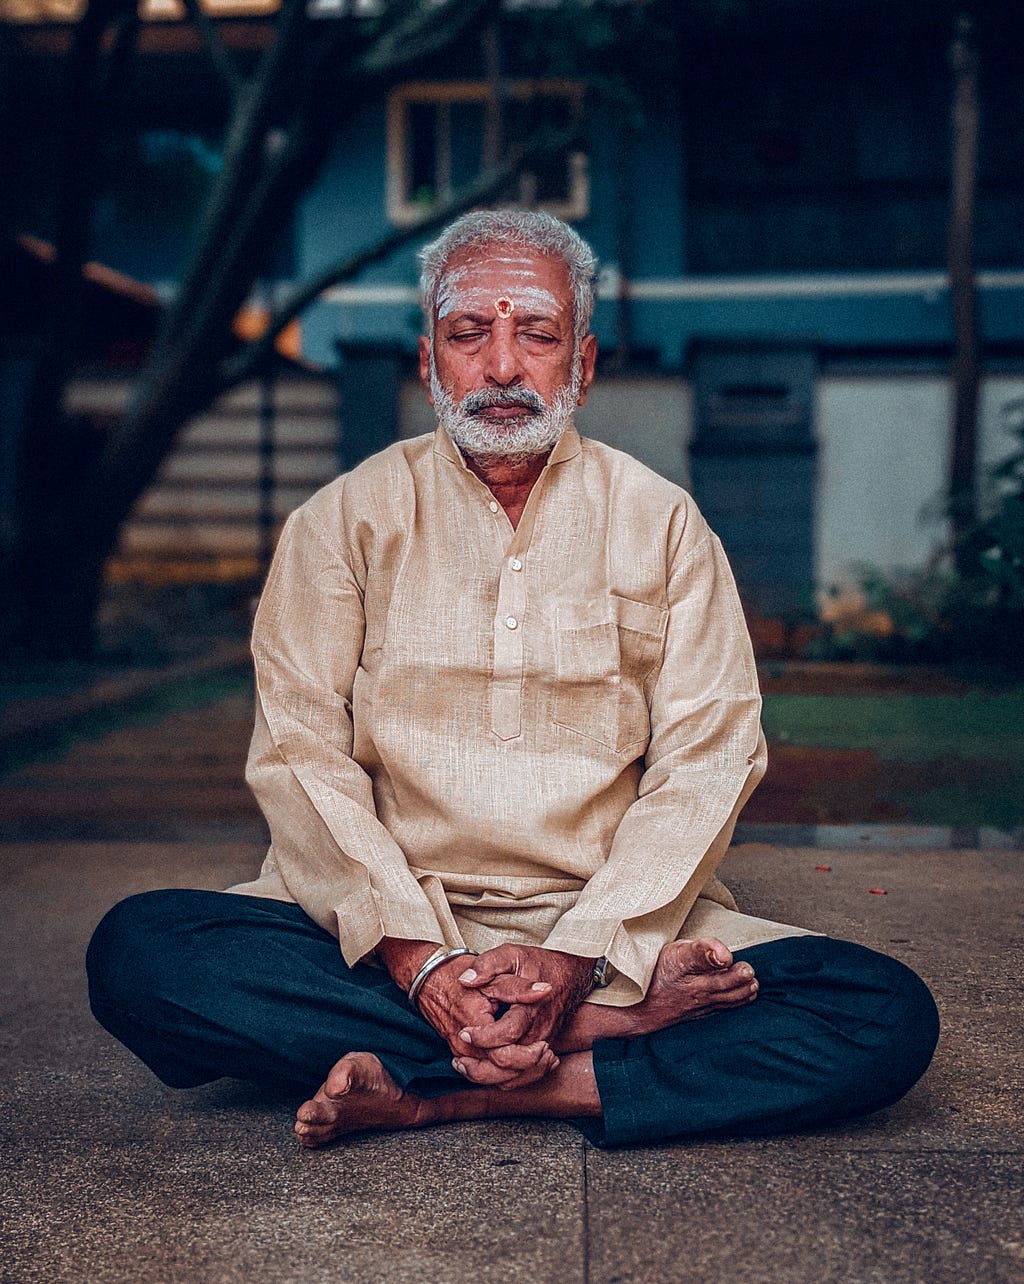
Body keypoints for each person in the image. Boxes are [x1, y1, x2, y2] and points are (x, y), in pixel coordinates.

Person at [87, 210, 938, 1149]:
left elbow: (710, 758)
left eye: (535, 334)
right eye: (468, 334)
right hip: (379, 936)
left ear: (583, 364)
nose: (501, 367)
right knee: (139, 954)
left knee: (884, 1015)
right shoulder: (342, 523)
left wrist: (579, 960)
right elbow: (300, 760)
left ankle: (443, 1092)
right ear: (428, 362)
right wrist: (424, 963)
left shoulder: (661, 522)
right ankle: (599, 1051)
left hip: (614, 935)